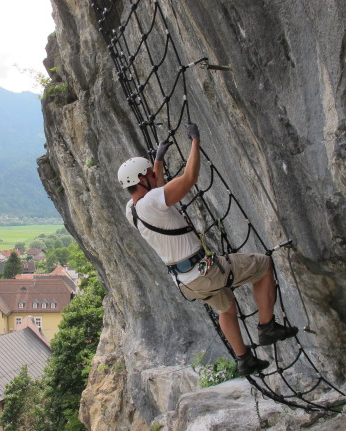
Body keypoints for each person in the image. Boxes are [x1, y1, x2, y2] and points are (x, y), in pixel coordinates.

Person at [117, 122, 298, 375]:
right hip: (204, 271)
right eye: (149, 173)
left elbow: (155, 188)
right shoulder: (153, 202)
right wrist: (195, 142)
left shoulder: (132, 210)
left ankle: (244, 358)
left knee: (226, 307)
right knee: (263, 265)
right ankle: (267, 326)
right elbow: (189, 178)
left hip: (186, 281)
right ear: (140, 179)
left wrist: (157, 160)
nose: (154, 175)